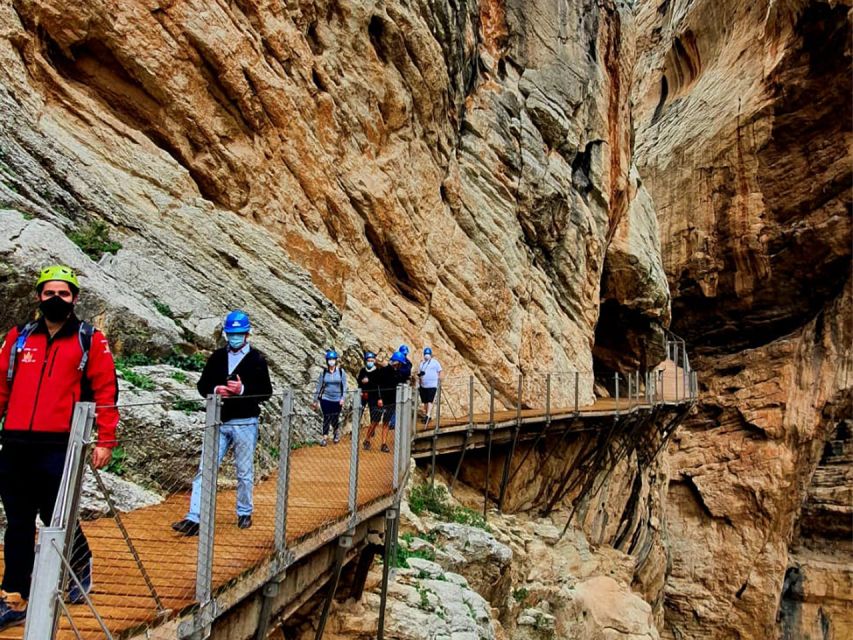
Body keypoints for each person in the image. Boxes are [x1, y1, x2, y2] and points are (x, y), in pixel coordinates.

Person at [0, 265, 119, 628]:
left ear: (75, 298)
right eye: (49, 292)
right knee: (18, 520)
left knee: (56, 516)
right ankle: (15, 597)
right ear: (38, 296)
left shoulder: (89, 339)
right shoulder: (19, 337)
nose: (56, 299)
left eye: (63, 293)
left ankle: (80, 561)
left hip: (59, 443)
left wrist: (106, 440)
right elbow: (1, 386)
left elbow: (106, 391)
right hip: (17, 440)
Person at [172, 310, 272, 536]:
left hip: (245, 421)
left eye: (238, 333)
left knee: (244, 471)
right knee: (204, 469)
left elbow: (266, 392)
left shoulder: (257, 360)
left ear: (247, 334)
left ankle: (244, 511)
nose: (234, 337)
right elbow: (202, 385)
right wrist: (216, 389)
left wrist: (242, 390)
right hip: (218, 420)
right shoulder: (217, 357)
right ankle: (194, 517)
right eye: (231, 333)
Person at [312, 349, 347, 446]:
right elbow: (319, 386)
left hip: (337, 399)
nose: (331, 361)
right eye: (329, 359)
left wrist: (343, 398)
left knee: (335, 418)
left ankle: (336, 432)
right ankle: (325, 437)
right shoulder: (323, 373)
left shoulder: (341, 372)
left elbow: (344, 386)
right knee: (326, 417)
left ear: (336, 360)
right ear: (327, 361)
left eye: (333, 359)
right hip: (326, 398)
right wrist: (315, 400)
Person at [417, 347, 443, 427]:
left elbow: (440, 371)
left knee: (429, 400)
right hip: (423, 386)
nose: (426, 355)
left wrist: (439, 380)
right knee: (425, 401)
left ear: (431, 355)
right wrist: (419, 383)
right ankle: (427, 415)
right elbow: (419, 374)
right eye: (425, 354)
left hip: (432, 385)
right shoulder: (422, 364)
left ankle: (428, 415)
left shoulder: (435, 362)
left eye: (428, 354)